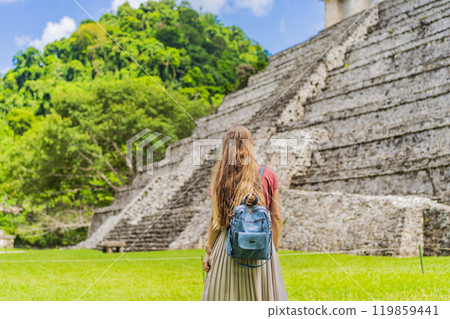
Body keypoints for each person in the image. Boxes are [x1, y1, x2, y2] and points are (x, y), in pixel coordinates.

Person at [201, 125, 289, 301]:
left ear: (226, 147)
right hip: (261, 246)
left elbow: (215, 221)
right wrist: (274, 247)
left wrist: (209, 252)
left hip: (228, 247)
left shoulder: (219, 177)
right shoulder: (267, 174)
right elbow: (277, 216)